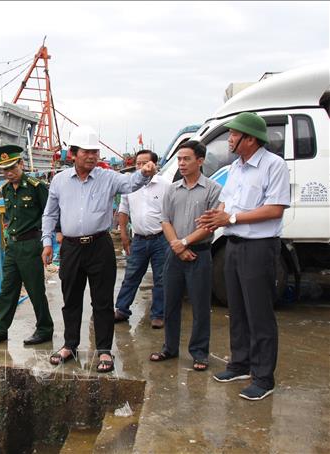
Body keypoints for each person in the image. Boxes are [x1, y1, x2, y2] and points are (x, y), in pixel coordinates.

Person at [41, 125, 156, 373]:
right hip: (70, 249)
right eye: (86, 152)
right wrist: (47, 242)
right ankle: (70, 345)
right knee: (70, 299)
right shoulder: (59, 181)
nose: (92, 156)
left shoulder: (107, 177)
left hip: (100, 246)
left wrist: (145, 173)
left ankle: (104, 350)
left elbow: (130, 183)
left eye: (95, 151)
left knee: (102, 302)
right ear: (73, 154)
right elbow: (49, 214)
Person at [196, 112, 290, 400]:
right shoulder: (236, 167)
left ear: (250, 138)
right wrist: (216, 216)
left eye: (235, 135)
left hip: (259, 248)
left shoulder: (274, 166)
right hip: (234, 245)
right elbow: (228, 200)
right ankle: (240, 364)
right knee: (236, 310)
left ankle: (263, 377)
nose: (230, 139)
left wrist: (231, 218)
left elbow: (275, 209)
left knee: (259, 313)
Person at [149, 140, 221, 371]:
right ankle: (169, 348)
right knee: (170, 303)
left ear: (200, 161)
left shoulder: (212, 189)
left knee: (200, 306)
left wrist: (185, 242)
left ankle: (199, 353)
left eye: (186, 159)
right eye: (179, 159)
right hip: (174, 254)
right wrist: (176, 245)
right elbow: (165, 220)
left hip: (199, 254)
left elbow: (210, 225)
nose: (181, 163)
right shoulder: (172, 189)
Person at [0, 145, 54, 346]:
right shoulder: (5, 189)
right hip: (13, 247)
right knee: (7, 290)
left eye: (12, 168)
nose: (9, 173)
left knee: (35, 290)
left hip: (31, 245)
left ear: (21, 164)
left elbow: (49, 214)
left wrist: (48, 243)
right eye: (4, 169)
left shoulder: (35, 186)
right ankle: (0, 330)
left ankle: (45, 329)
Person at [114, 149, 170, 329]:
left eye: (145, 163)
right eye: (138, 163)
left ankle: (158, 314)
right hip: (138, 239)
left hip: (161, 239)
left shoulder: (165, 185)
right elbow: (123, 211)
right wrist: (123, 234)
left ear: (154, 165)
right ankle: (122, 309)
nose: (141, 167)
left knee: (161, 278)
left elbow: (172, 213)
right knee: (131, 275)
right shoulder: (130, 186)